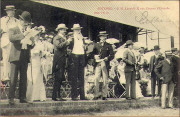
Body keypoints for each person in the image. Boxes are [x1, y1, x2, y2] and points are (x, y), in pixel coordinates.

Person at [8, 11, 36, 105]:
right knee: (13, 78)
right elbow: (11, 38)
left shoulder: (29, 31)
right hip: (15, 56)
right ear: (20, 20)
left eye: (27, 22)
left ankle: (22, 97)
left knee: (23, 78)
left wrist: (32, 43)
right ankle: (11, 98)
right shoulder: (14, 29)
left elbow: (32, 44)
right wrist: (24, 34)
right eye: (25, 22)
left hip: (24, 56)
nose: (26, 24)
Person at [52, 24, 72, 101]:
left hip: (63, 60)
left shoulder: (63, 38)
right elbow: (59, 46)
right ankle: (56, 95)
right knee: (58, 77)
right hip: (58, 60)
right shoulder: (56, 38)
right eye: (63, 30)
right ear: (59, 30)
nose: (65, 31)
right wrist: (67, 42)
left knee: (60, 78)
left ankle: (57, 95)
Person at [92, 31, 114, 100]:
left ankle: (104, 95)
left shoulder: (108, 45)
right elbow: (92, 54)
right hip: (98, 63)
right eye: (102, 36)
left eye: (105, 36)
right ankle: (96, 95)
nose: (103, 37)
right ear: (100, 37)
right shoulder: (96, 45)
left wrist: (108, 58)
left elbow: (112, 55)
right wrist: (95, 56)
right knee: (96, 78)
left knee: (105, 79)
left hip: (105, 63)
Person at [26, 29, 46, 102]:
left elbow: (43, 51)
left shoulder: (40, 43)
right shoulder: (31, 43)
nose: (37, 36)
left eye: (38, 35)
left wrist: (42, 53)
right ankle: (32, 96)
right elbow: (29, 52)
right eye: (36, 35)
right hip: (33, 61)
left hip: (39, 61)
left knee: (39, 77)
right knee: (33, 77)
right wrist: (35, 52)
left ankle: (40, 96)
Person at [69, 24, 87, 100]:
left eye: (79, 29)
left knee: (81, 77)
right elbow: (69, 49)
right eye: (76, 29)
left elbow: (84, 48)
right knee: (74, 77)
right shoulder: (72, 38)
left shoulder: (82, 38)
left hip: (81, 57)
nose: (78, 31)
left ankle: (82, 95)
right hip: (74, 56)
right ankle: (74, 95)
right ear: (74, 30)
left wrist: (85, 47)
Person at [1, 5, 18, 81]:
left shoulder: (16, 21)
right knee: (5, 59)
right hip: (5, 39)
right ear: (7, 12)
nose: (11, 12)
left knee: (13, 59)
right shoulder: (2, 20)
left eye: (12, 11)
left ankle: (12, 75)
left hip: (13, 40)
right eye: (9, 11)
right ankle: (5, 75)